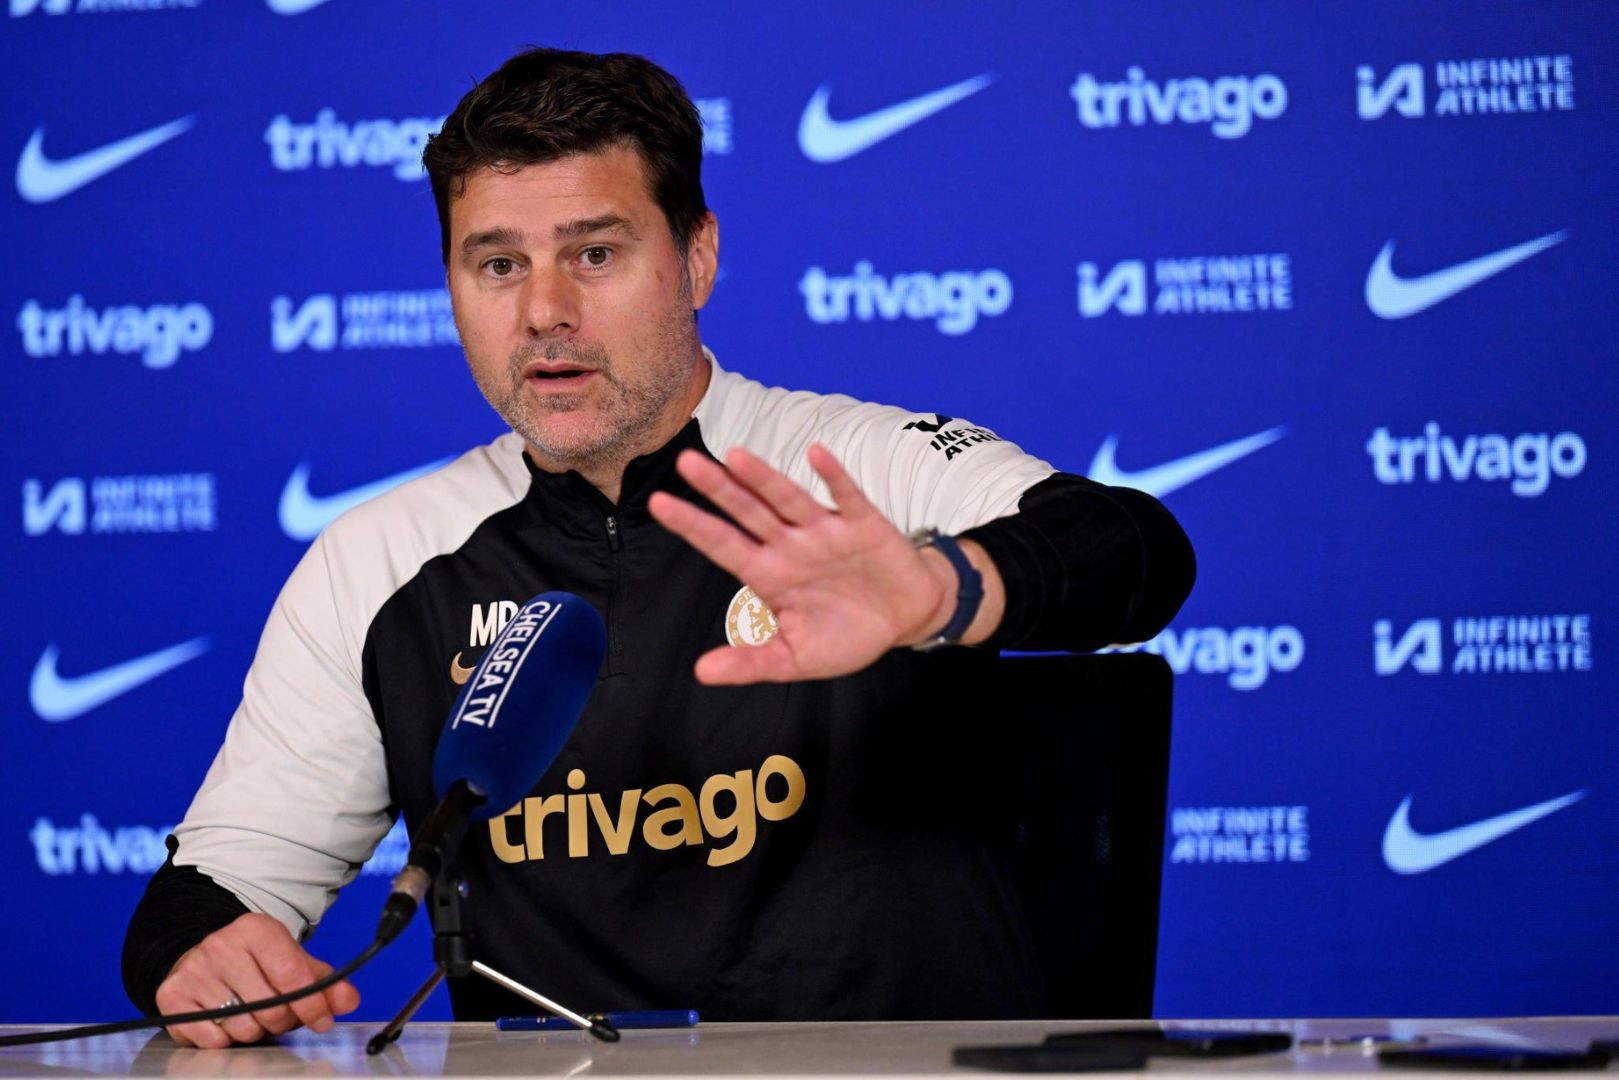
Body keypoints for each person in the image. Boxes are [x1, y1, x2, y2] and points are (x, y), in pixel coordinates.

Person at [123, 47, 1195, 1048]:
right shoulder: (378, 562)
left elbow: (1132, 549)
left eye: (595, 254)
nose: (544, 312)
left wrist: (939, 589)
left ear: (697, 257)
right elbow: (210, 893)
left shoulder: (851, 469)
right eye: (497, 264)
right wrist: (198, 955)